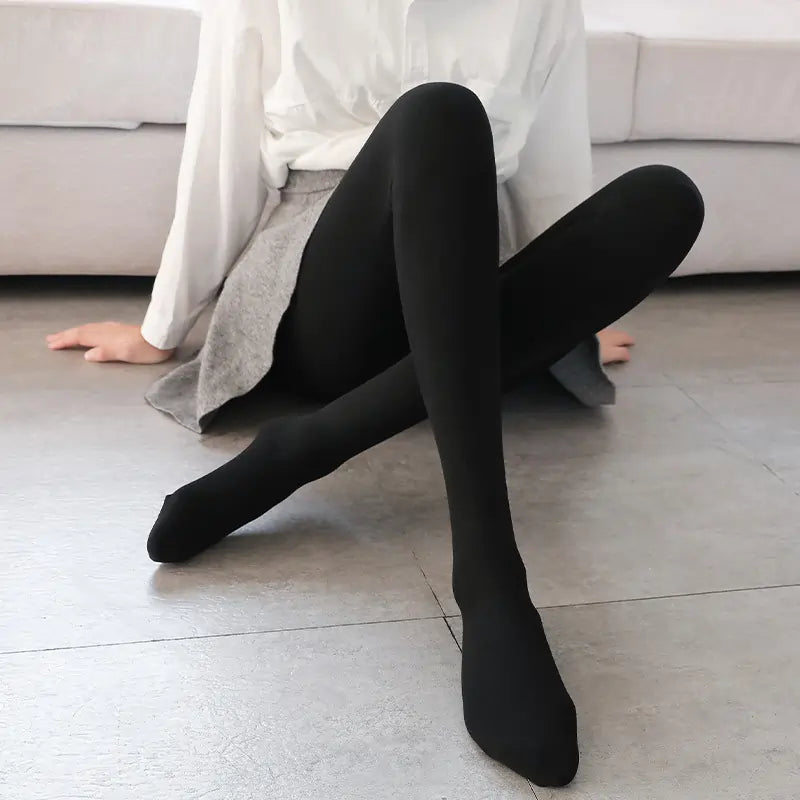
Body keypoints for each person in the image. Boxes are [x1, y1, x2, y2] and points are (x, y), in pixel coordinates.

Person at [46, 0, 703, 788]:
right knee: (439, 113)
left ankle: (306, 446)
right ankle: (491, 578)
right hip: (328, 275)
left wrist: (571, 313)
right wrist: (165, 327)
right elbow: (221, 152)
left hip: (467, 266)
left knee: (666, 199)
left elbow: (550, 166)